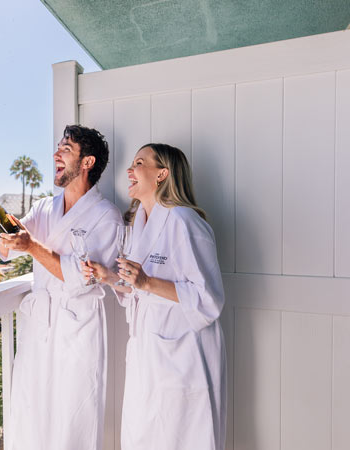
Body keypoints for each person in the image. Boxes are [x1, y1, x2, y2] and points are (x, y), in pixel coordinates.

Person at [0, 125, 122, 450]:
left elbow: (81, 276)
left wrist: (32, 247)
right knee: (30, 414)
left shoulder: (107, 217)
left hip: (77, 331)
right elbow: (7, 244)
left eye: (65, 149)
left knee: (72, 421)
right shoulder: (45, 207)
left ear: (87, 162)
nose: (55, 155)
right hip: (39, 328)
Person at [83, 143, 227, 450]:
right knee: (144, 435)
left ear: (162, 174)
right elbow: (138, 291)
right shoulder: (138, 224)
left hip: (183, 355)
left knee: (181, 436)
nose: (129, 170)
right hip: (147, 353)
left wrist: (147, 281)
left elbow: (209, 299)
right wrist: (110, 278)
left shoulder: (185, 222)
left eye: (139, 162)